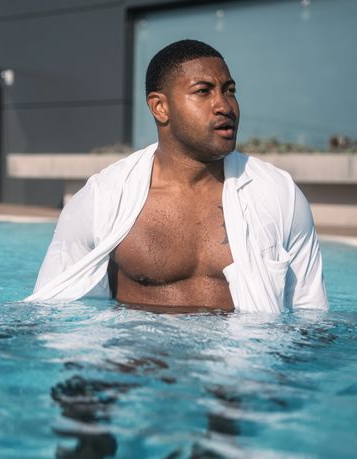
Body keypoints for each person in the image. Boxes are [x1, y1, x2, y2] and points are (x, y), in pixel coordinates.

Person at [26, 40, 328, 313]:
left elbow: (311, 316)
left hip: (238, 370)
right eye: (203, 91)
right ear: (160, 107)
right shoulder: (103, 199)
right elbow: (49, 309)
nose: (225, 105)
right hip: (135, 370)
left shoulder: (278, 194)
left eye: (230, 90)